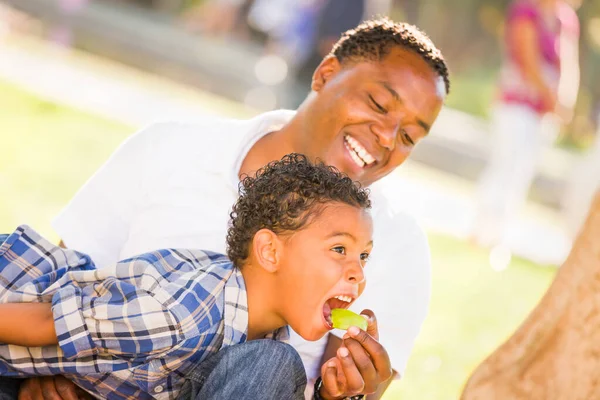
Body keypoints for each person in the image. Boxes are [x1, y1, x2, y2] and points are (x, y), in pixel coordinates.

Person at [14, 18, 450, 400]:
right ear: (325, 73)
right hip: (82, 373)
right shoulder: (171, 147)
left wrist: (346, 393)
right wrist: (51, 370)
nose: (390, 138)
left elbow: (348, 392)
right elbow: (61, 289)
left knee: (269, 363)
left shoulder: (397, 242)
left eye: (411, 136)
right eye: (378, 104)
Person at [0, 154, 379, 399]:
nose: (357, 272)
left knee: (275, 362)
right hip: (11, 310)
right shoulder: (183, 313)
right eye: (340, 250)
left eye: (363, 256)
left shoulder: (267, 337)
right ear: (270, 251)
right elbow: (47, 319)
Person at [472, 0, 580, 252]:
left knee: (521, 174)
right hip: (517, 104)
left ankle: (499, 236)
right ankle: (482, 231)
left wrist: (565, 103)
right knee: (505, 165)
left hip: (543, 113)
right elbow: (527, 59)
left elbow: (570, 65)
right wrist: (552, 99)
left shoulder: (565, 20)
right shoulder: (526, 9)